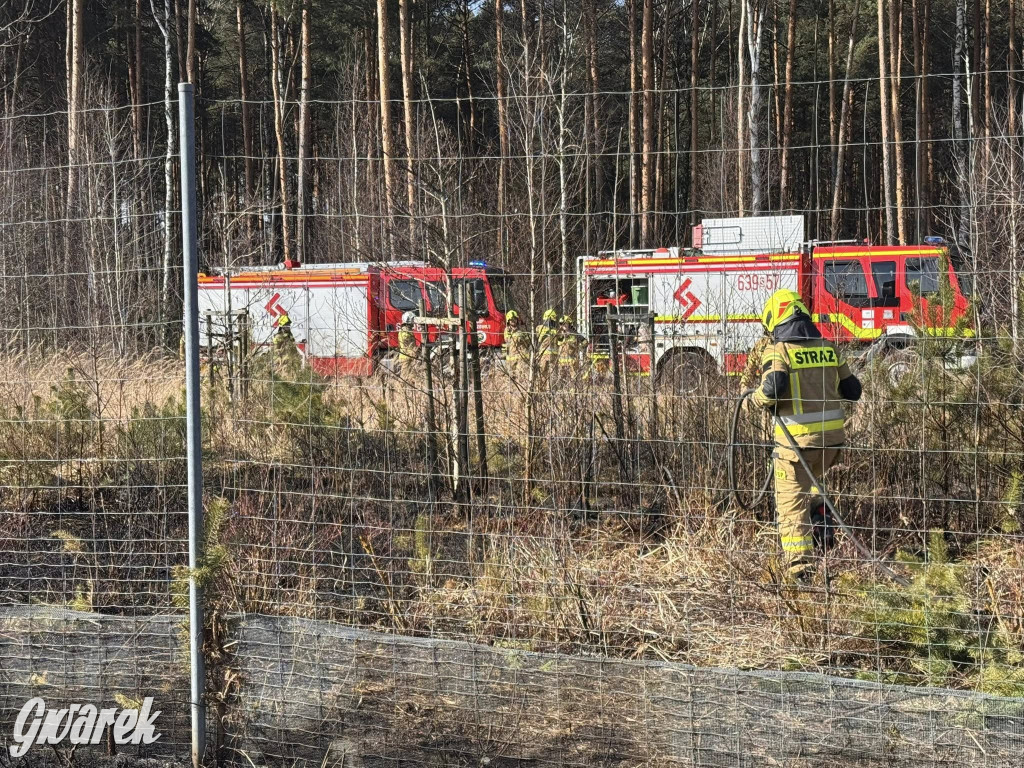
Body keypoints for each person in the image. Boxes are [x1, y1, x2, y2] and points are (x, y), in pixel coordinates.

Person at [749, 289, 862, 583]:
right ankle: (821, 517)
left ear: (775, 320)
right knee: (811, 485)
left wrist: (756, 400)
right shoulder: (828, 347)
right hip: (831, 444)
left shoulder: (779, 351)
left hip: (795, 446)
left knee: (790, 507)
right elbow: (853, 391)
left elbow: (772, 390)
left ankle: (800, 571)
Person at [536, 308, 559, 373]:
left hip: (553, 357)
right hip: (544, 356)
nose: (554, 321)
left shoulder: (555, 331)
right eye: (553, 319)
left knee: (551, 376)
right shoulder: (540, 328)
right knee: (543, 374)